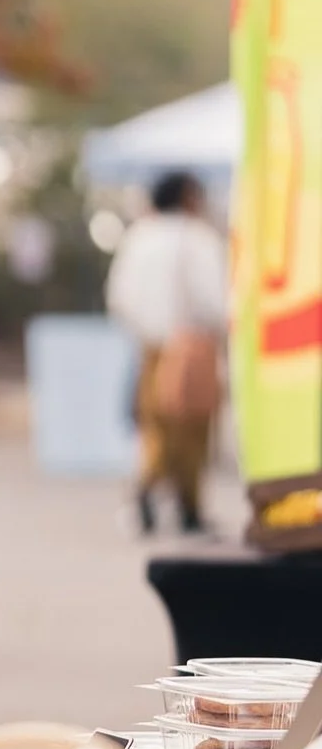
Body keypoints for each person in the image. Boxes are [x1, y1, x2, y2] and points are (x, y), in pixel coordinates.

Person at [106, 170, 228, 534]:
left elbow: (120, 298)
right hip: (192, 347)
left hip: (151, 348)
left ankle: (151, 495)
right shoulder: (199, 239)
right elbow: (216, 299)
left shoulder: (139, 237)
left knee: (156, 427)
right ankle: (183, 505)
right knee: (191, 432)